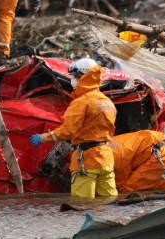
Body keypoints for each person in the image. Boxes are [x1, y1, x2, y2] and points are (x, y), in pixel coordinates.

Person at [30, 58, 118, 199]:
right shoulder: (107, 102)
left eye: (75, 77)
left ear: (84, 77)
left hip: (87, 159)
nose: (73, 80)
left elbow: (67, 131)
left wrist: (43, 137)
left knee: (82, 203)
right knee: (109, 200)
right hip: (106, 158)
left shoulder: (81, 103)